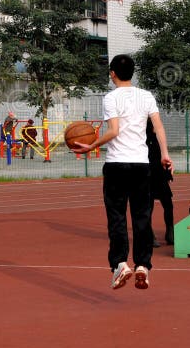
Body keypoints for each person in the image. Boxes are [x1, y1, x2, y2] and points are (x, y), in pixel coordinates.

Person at [71, 54, 172, 290]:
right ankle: (143, 266)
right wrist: (165, 154)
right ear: (133, 73)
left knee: (117, 217)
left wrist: (93, 145)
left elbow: (114, 130)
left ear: (112, 73)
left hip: (117, 165)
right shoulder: (146, 96)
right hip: (141, 165)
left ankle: (120, 264)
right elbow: (158, 128)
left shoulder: (111, 97)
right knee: (142, 217)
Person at [147, 118, 174, 247]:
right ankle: (150, 235)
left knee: (167, 204)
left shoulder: (156, 140)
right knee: (150, 207)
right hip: (149, 177)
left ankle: (170, 232)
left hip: (158, 177)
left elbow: (163, 158)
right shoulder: (145, 141)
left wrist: (167, 173)